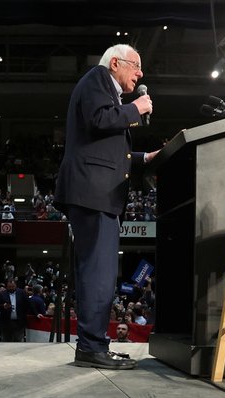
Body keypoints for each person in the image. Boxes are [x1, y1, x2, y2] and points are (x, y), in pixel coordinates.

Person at [54, 43, 159, 370]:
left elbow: (103, 145)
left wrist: (143, 158)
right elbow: (99, 120)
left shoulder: (109, 92)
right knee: (98, 274)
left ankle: (93, 345)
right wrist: (137, 107)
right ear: (115, 63)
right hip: (92, 193)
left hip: (96, 193)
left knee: (98, 273)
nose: (140, 74)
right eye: (136, 66)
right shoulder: (98, 78)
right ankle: (92, 348)